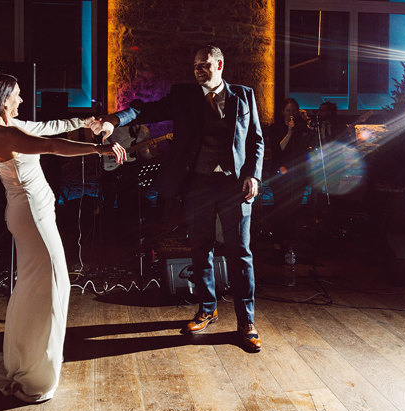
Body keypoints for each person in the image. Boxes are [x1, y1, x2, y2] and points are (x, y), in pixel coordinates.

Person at [95, 45, 264, 352]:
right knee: (200, 250)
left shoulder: (245, 95)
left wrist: (254, 175)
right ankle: (207, 309)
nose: (199, 70)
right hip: (198, 184)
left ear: (220, 65)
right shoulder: (184, 96)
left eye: (205, 65)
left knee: (241, 253)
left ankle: (246, 322)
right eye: (196, 65)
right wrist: (114, 120)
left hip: (234, 186)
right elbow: (144, 109)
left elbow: (256, 140)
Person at [0, 73, 125, 402]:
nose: (21, 100)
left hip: (26, 213)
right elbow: (50, 145)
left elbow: (45, 128)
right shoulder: (5, 134)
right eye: (16, 95)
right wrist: (98, 149)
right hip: (33, 218)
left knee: (30, 287)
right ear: (4, 100)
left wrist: (84, 120)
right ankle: (37, 375)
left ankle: (22, 359)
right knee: (56, 284)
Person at [269, 98, 311, 257]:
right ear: (282, 112)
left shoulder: (301, 128)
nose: (291, 114)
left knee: (295, 206)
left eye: (293, 111)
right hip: (279, 172)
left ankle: (291, 240)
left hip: (296, 172)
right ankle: (278, 241)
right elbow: (279, 149)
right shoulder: (275, 128)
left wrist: (305, 124)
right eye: (288, 111)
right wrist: (289, 132)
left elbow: (305, 146)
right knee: (279, 206)